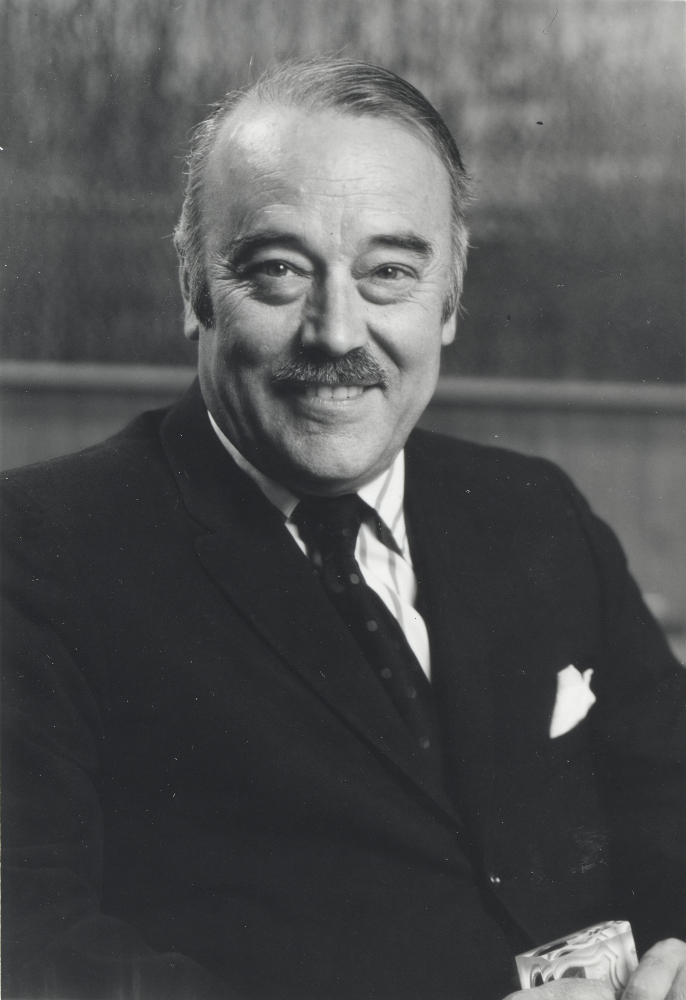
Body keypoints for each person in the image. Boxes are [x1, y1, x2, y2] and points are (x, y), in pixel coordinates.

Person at [2, 56, 684, 1000]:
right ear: (194, 288)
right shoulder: (37, 551)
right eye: (279, 271)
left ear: (448, 302)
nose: (337, 333)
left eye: (390, 272)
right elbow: (36, 949)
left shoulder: (536, 512)